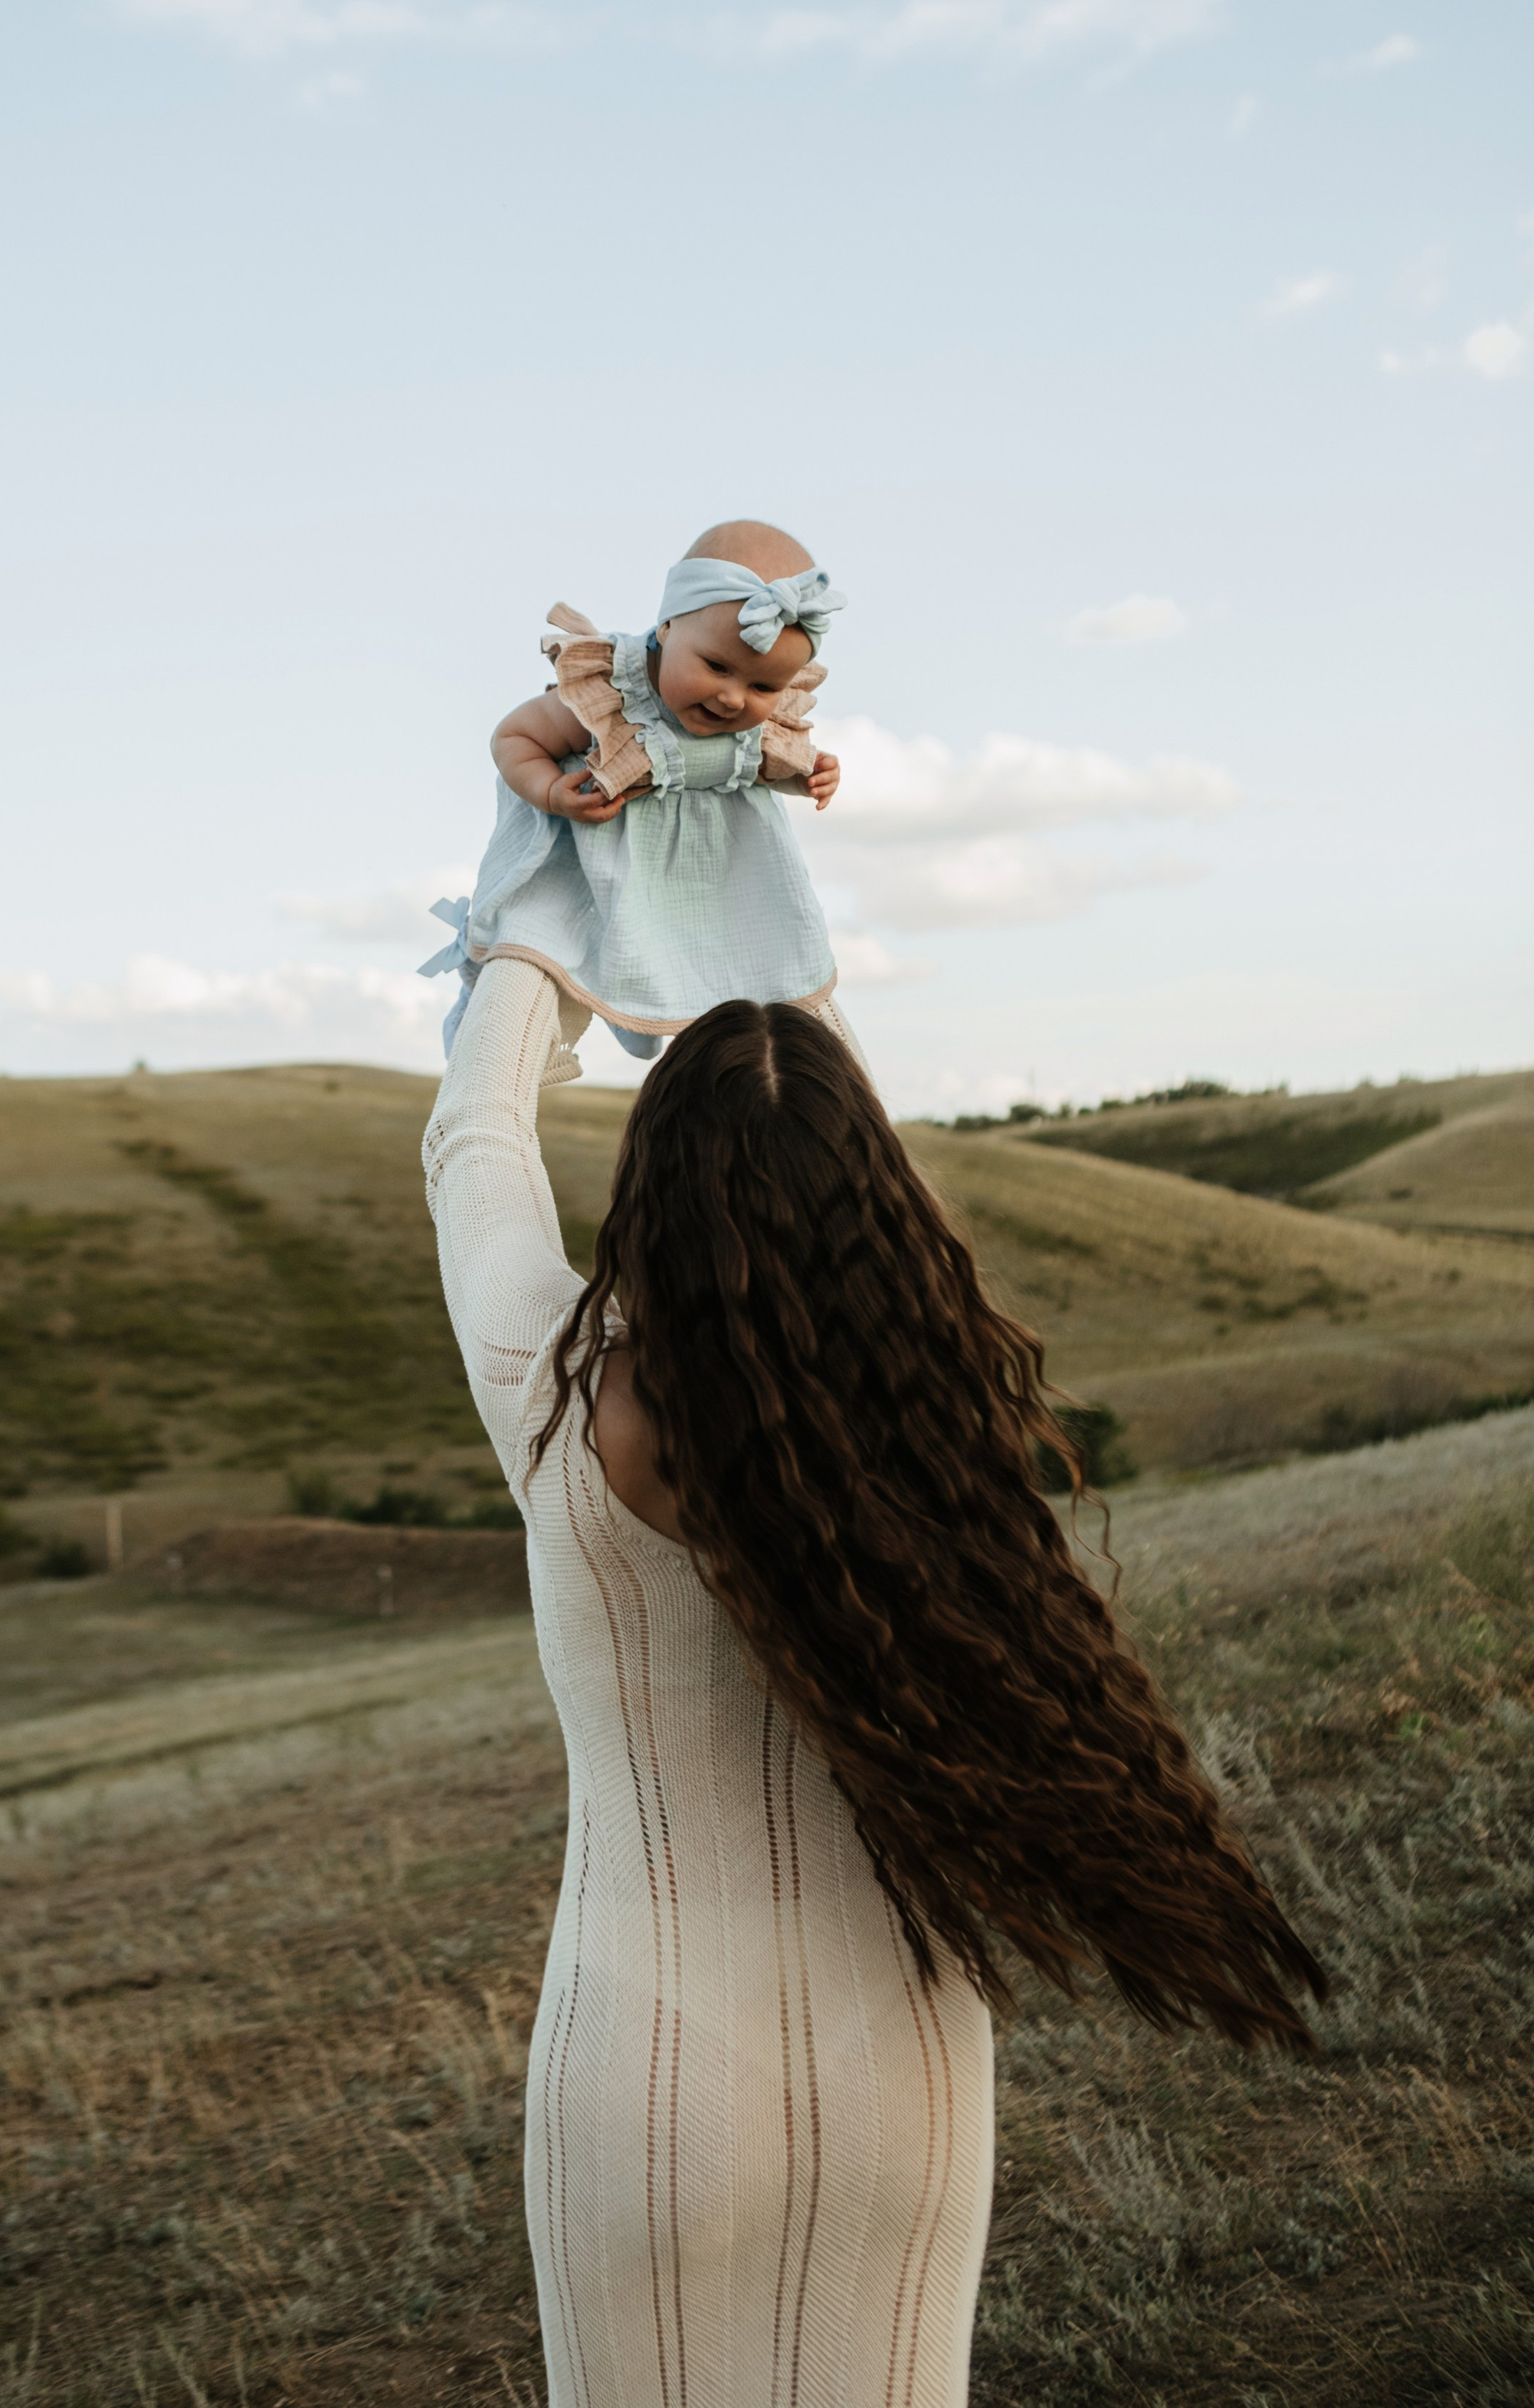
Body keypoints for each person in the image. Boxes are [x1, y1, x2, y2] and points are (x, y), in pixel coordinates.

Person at [423, 969, 1325, 2408]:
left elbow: (472, 1139)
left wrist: (534, 947)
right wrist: (763, 869)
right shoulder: (923, 1415)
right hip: (902, 2036)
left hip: (648, 2051)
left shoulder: (555, 1384)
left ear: (651, 1193)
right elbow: (816, 1067)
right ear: (877, 1196)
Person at [421, 520, 846, 1065]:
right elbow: (514, 737)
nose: (733, 698)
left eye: (763, 686)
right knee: (528, 961)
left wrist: (805, 776)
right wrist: (551, 790)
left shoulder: (753, 718)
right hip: (580, 877)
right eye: (716, 666)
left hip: (705, 887)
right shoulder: (612, 692)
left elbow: (761, 766)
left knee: (759, 990)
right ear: (667, 626)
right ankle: (489, 1081)